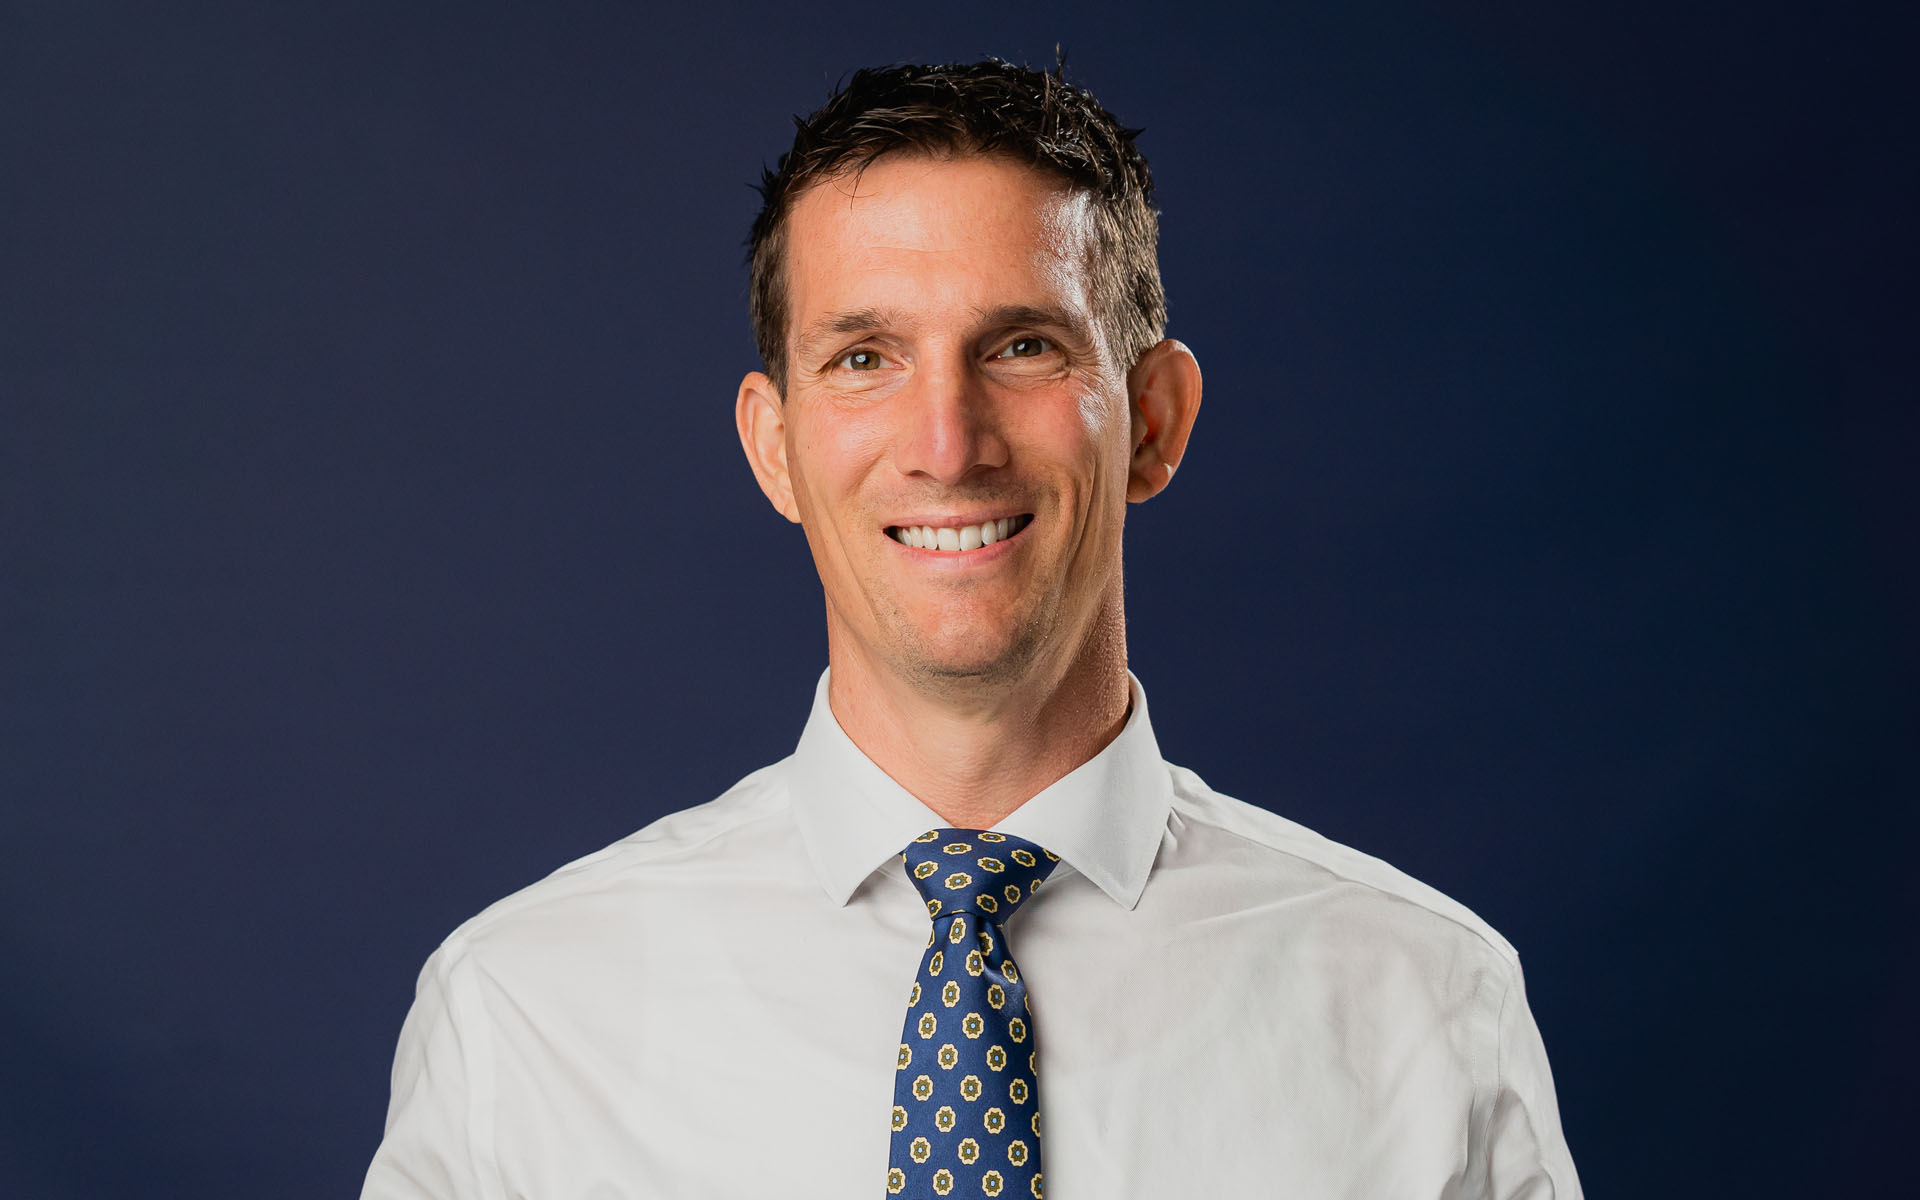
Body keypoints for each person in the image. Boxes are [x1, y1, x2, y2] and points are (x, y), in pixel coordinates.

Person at [361, 59, 1582, 1199]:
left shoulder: (1426, 1008)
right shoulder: (521, 1019)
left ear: (1154, 420)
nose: (947, 445)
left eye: (1023, 346)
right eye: (864, 358)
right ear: (774, 448)